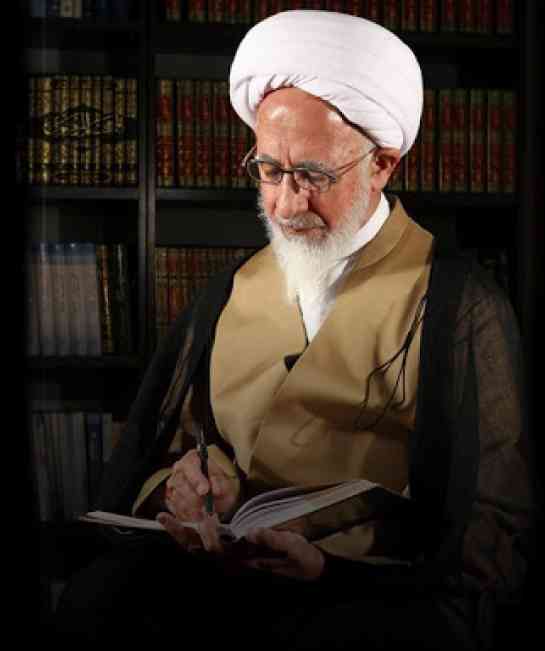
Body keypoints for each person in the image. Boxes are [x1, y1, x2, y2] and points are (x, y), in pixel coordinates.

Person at [52, 10, 534, 650]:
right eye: (269, 170)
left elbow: (490, 529)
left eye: (313, 174)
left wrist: (331, 569)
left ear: (382, 164)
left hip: (374, 593)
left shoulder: (458, 306)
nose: (284, 203)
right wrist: (189, 489)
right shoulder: (229, 291)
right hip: (223, 573)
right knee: (96, 601)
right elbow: (167, 452)